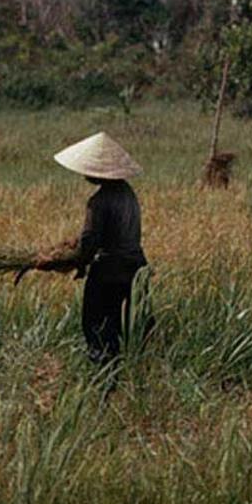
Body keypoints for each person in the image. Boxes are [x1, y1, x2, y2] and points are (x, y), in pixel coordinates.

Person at [44, 132, 149, 366]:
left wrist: (62, 261)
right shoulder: (128, 194)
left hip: (109, 272)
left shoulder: (99, 202)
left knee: (98, 328)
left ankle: (105, 382)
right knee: (126, 328)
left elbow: (88, 244)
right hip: (136, 268)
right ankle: (125, 376)